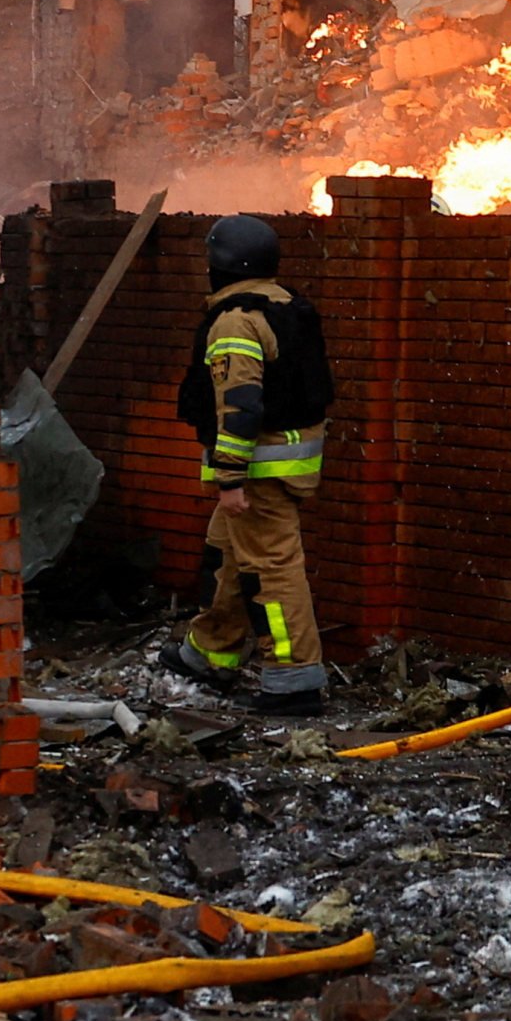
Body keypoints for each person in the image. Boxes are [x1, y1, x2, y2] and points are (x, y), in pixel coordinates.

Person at [167, 212, 335, 708]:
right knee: (225, 558)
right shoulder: (284, 304)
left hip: (257, 474)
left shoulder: (235, 321)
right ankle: (208, 652)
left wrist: (230, 479)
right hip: (281, 465)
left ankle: (295, 678)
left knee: (271, 571)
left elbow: (240, 406)